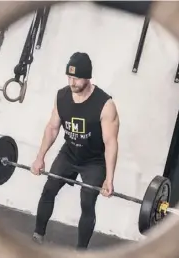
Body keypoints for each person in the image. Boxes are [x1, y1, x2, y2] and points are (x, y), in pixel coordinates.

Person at [30, 52, 120, 249]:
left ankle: (80, 251)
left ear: (88, 77)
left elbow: (111, 142)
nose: (72, 82)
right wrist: (40, 158)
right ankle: (38, 234)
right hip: (69, 153)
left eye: (76, 77)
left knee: (87, 202)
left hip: (94, 161)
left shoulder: (105, 105)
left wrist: (109, 179)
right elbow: (52, 127)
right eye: (69, 77)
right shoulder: (62, 96)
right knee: (49, 189)